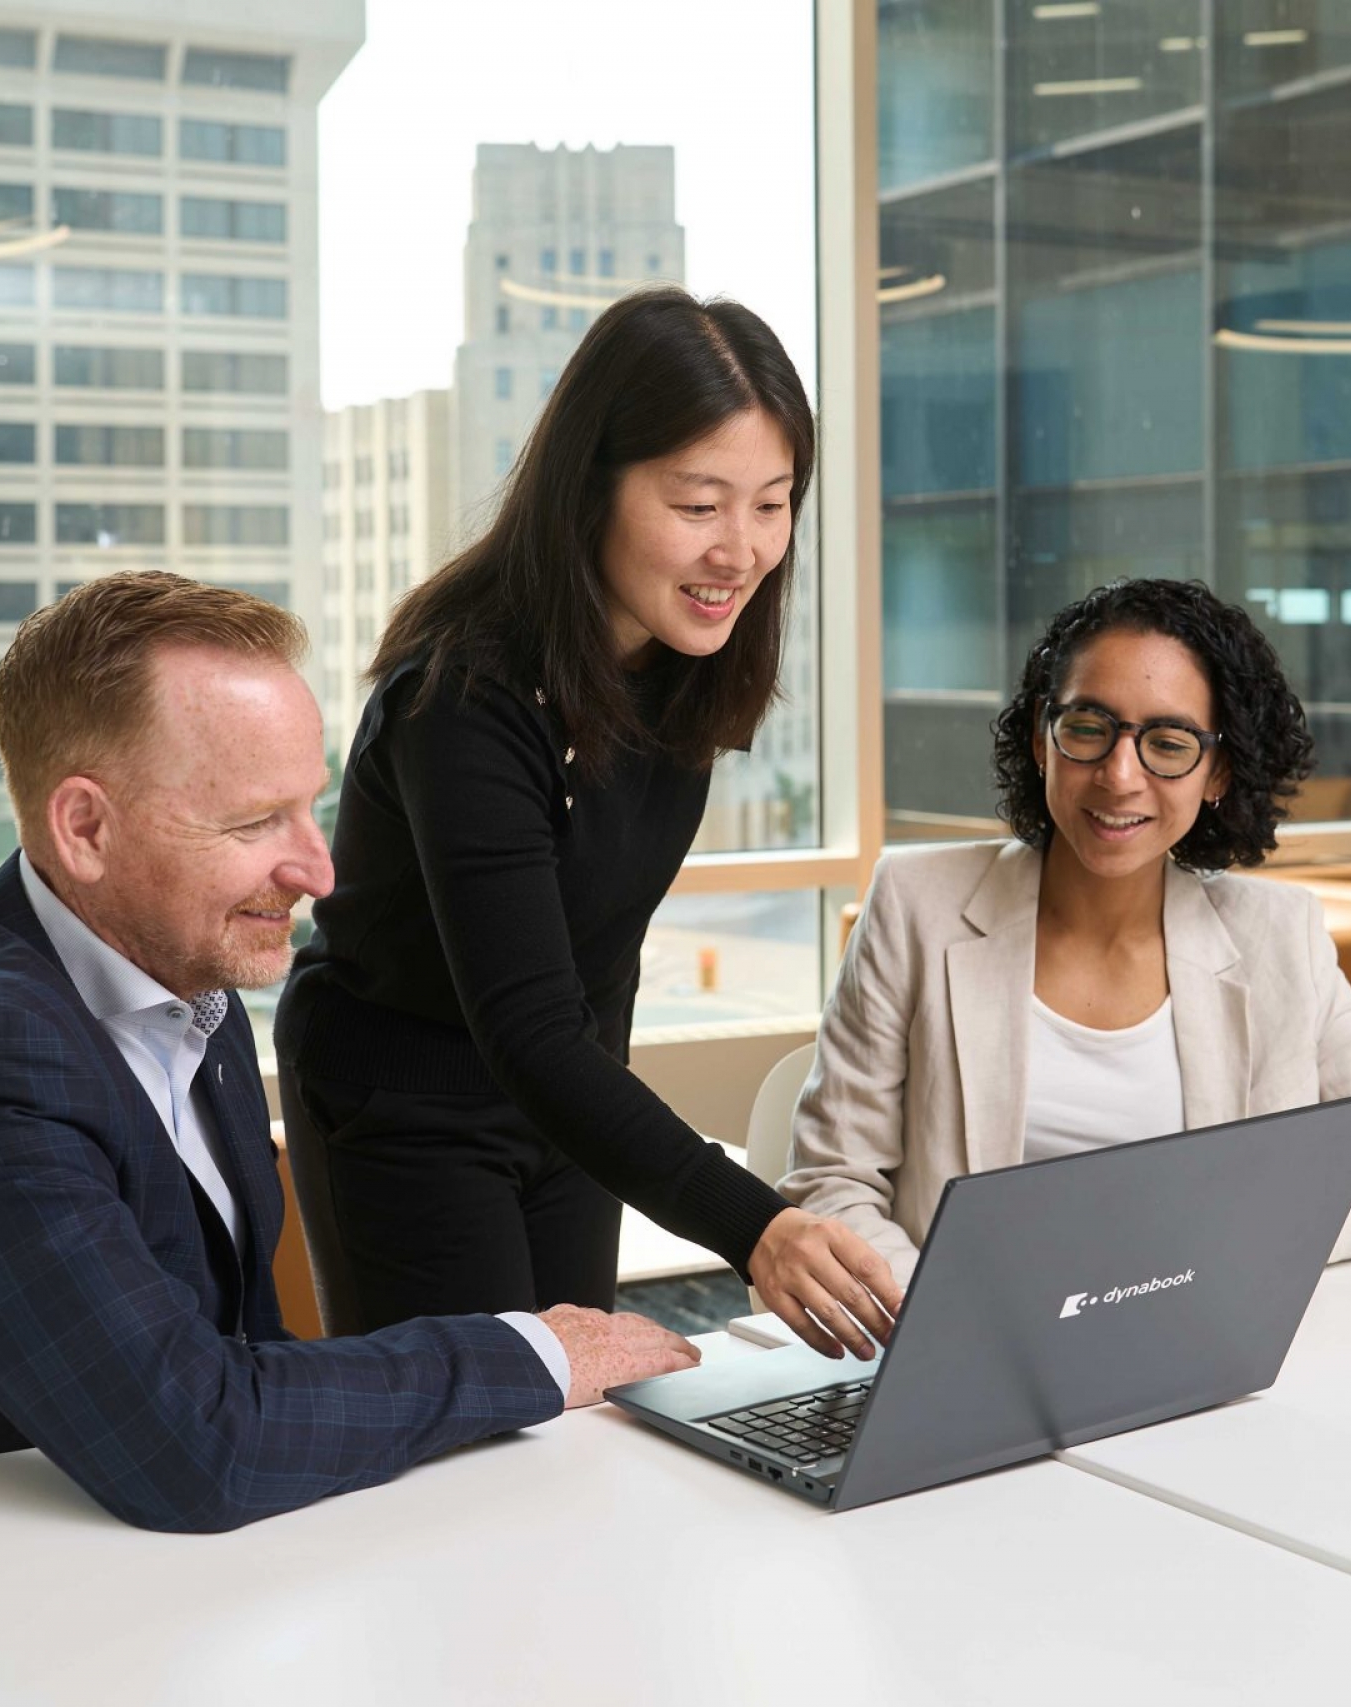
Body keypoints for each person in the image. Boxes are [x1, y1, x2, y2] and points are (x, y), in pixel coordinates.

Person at [0, 572, 696, 1533]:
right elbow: (196, 1440)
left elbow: (249, 1358)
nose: (317, 870)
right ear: (85, 828)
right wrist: (535, 1352)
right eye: (252, 822)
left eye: (308, 807)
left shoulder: (190, 979)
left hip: (127, 1565)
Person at [275, 288, 902, 1361]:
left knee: (581, 1410)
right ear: (589, 490)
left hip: (565, 1095)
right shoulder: (464, 698)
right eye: (698, 505)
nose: (740, 551)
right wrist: (754, 1226)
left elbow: (590, 970)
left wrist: (605, 1132)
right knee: (475, 1438)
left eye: (771, 502)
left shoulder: (685, 667)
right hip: (404, 1103)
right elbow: (524, 1025)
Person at [781, 578, 1351, 1284]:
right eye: (1090, 729)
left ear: (1217, 770)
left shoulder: (1278, 939)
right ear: (1042, 739)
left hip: (1196, 1348)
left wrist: (1246, 1230)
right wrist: (951, 1318)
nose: (1120, 775)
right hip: (970, 1351)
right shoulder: (916, 905)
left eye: (1168, 742)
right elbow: (832, 1183)